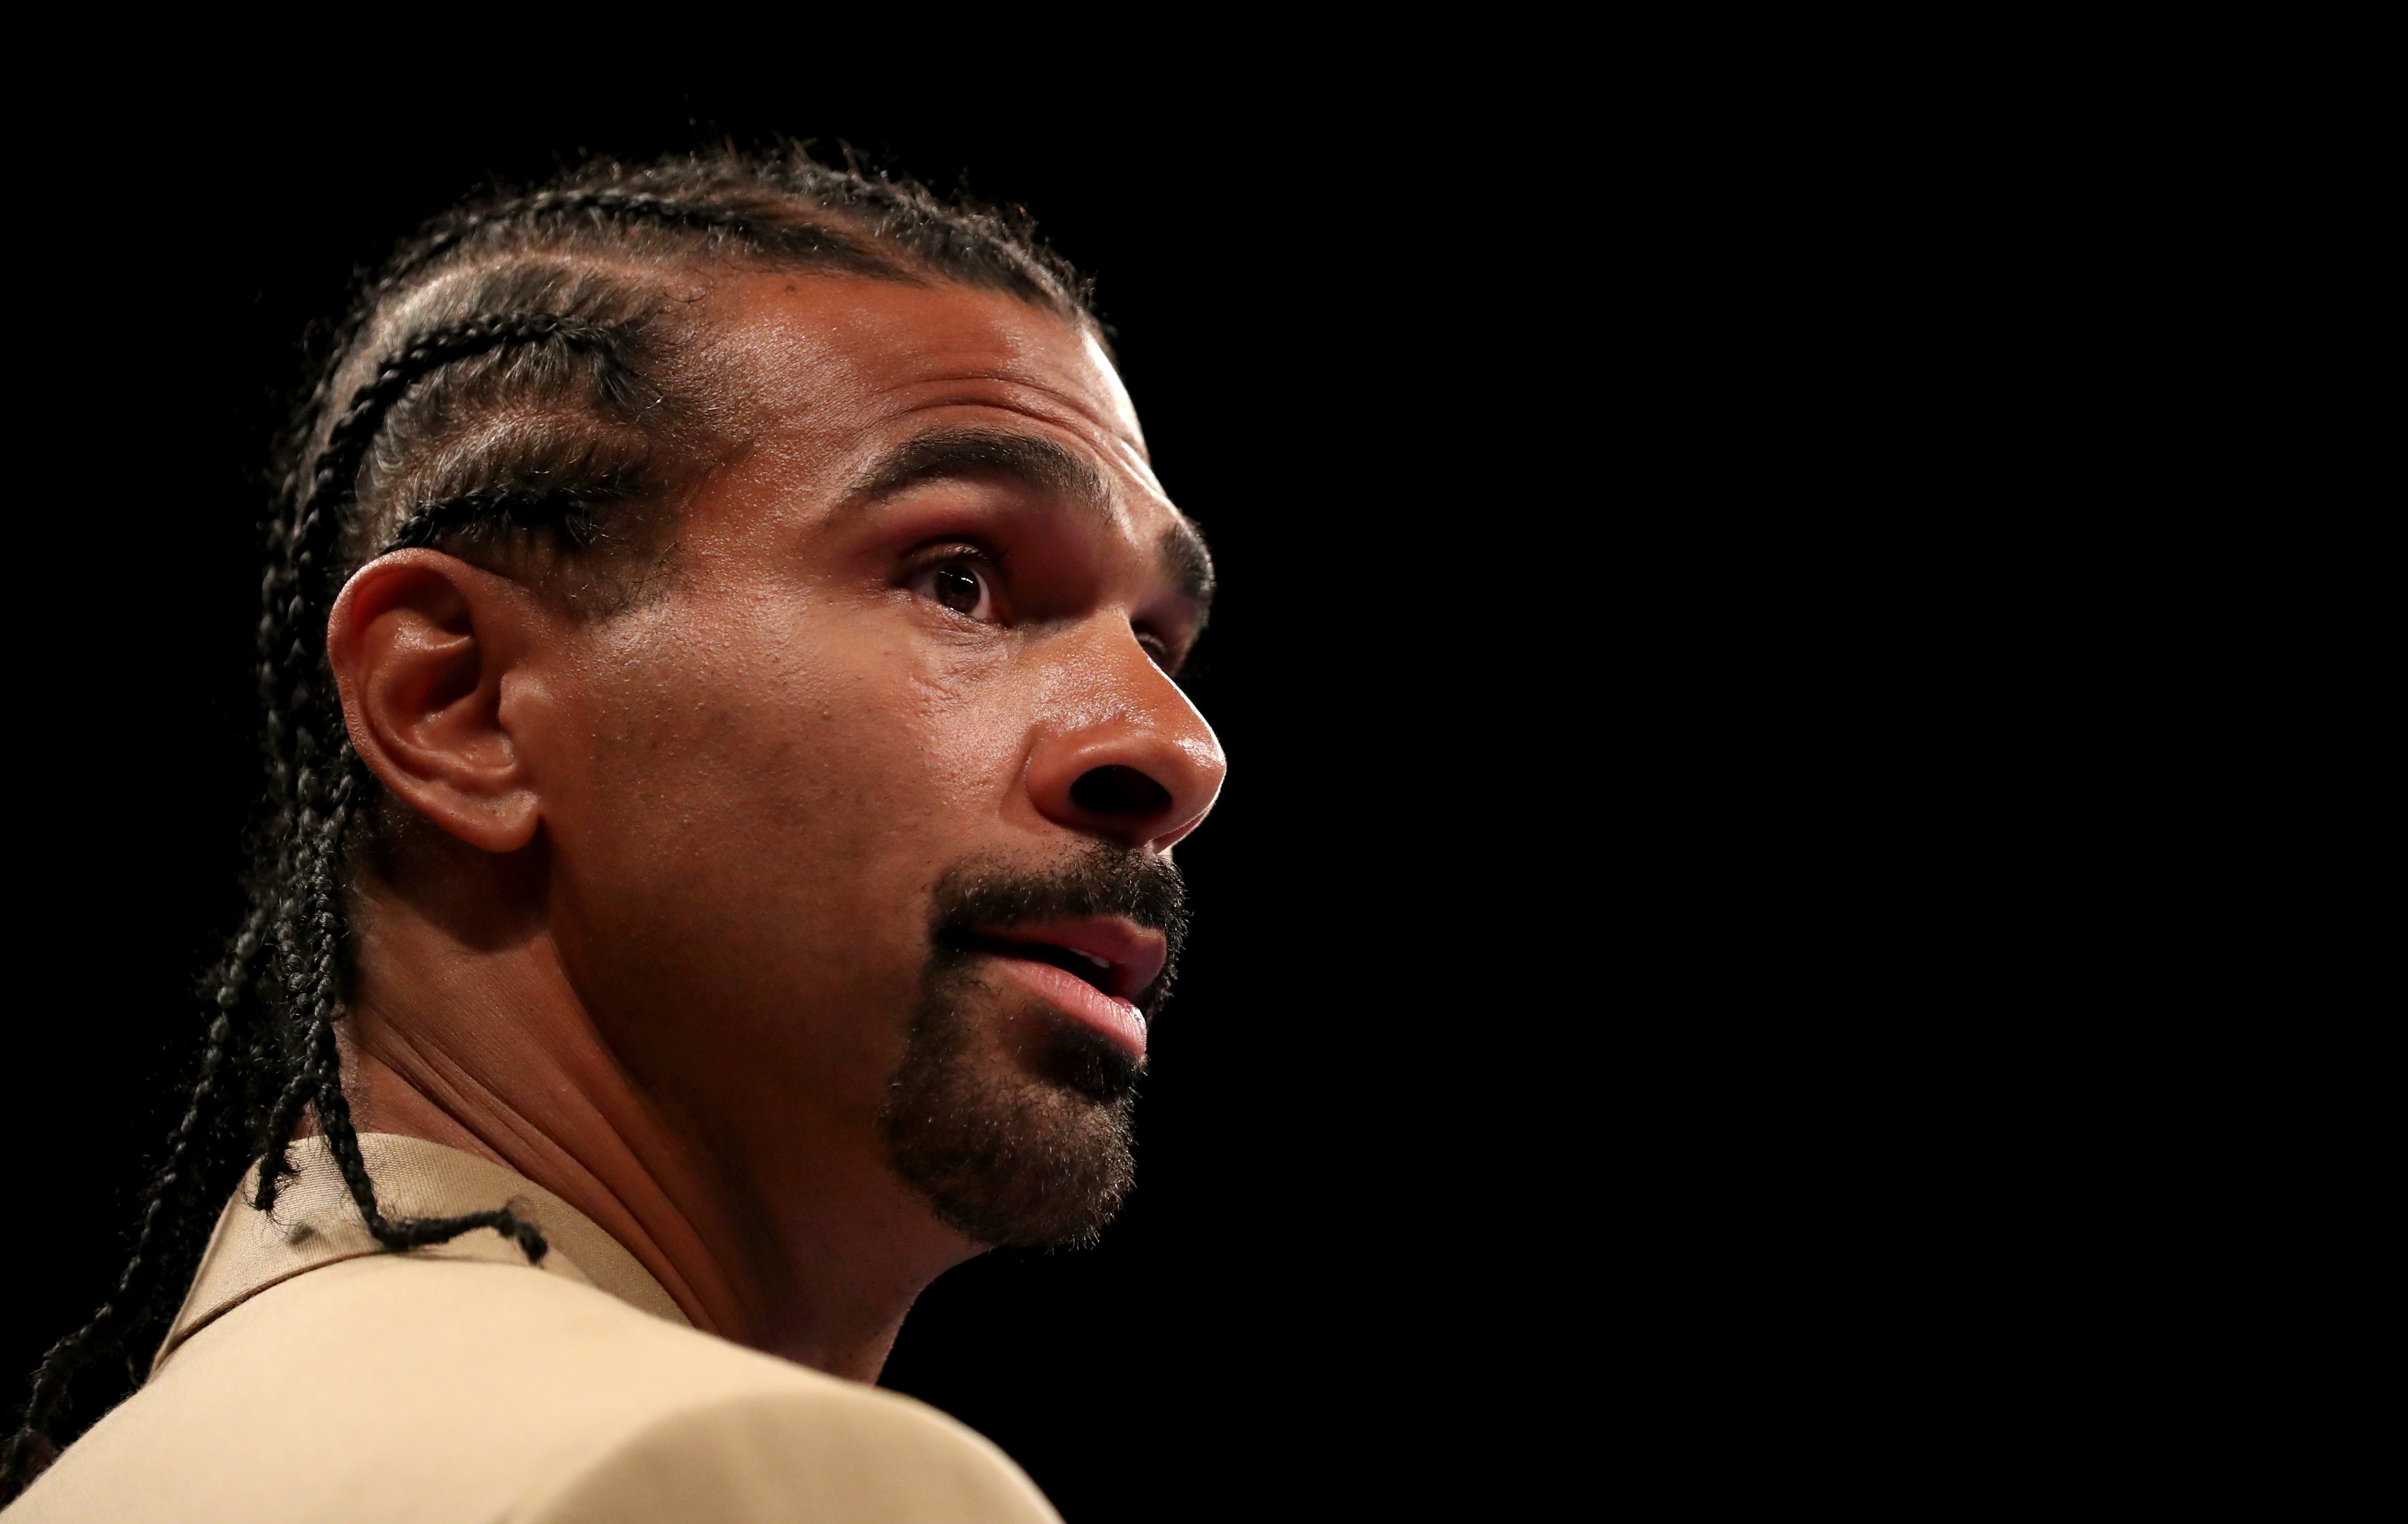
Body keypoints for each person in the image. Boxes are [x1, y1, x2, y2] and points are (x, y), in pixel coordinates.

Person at [0, 145, 1224, 1522]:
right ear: (458, 706)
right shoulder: (745, 1480)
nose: (1177, 751)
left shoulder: (128, 1474)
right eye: (961, 581)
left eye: (1163, 640)